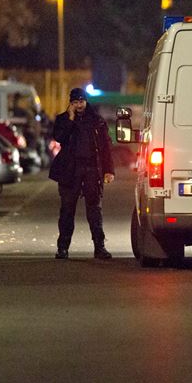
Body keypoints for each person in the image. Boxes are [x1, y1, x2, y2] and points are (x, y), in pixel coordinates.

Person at [48, 88, 115, 260]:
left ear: (86, 102)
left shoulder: (97, 121)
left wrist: (109, 170)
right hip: (71, 170)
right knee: (67, 210)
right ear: (70, 103)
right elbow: (60, 137)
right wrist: (70, 119)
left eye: (81, 102)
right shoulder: (63, 120)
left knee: (94, 210)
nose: (79, 105)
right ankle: (62, 248)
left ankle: (100, 247)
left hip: (92, 169)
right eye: (75, 102)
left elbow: (106, 147)